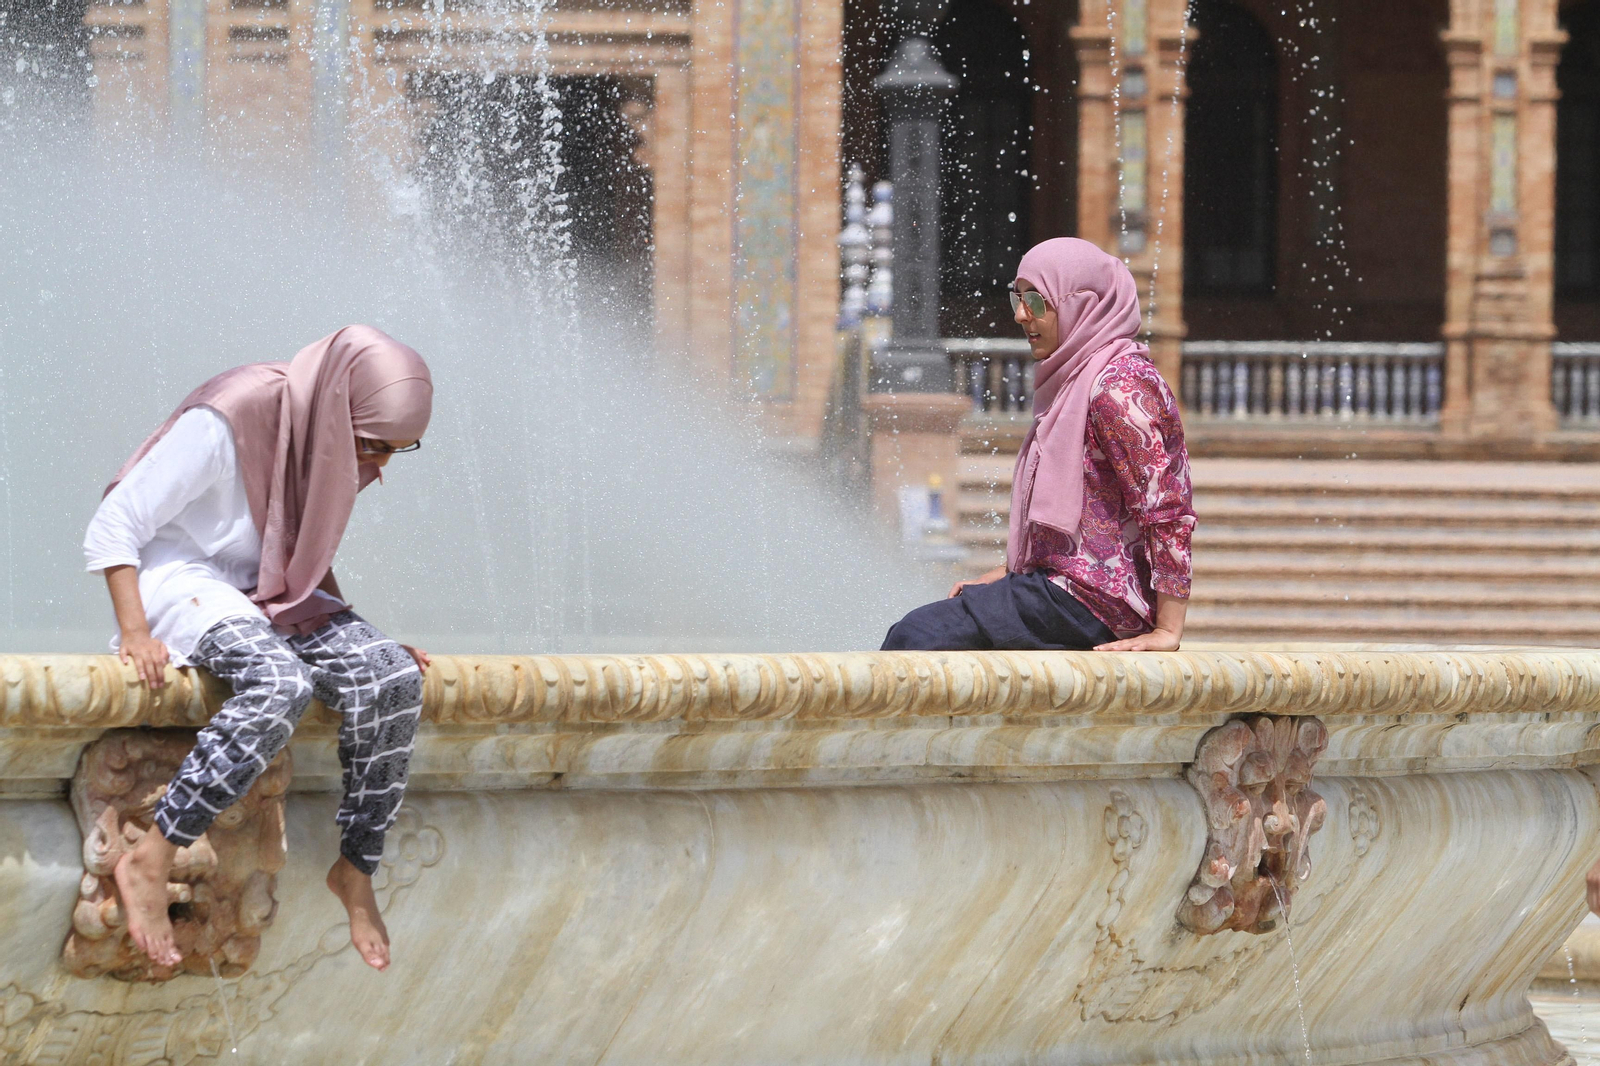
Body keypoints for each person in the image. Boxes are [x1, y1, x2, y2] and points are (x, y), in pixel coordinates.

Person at [82, 324, 434, 972]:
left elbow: (296, 552)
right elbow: (116, 522)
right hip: (180, 575)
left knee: (391, 678)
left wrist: (357, 638)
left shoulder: (330, 430)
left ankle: (355, 869)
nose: (378, 468)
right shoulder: (230, 415)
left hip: (263, 588)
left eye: (396, 451)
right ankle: (154, 855)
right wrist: (135, 632)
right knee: (281, 686)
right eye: (373, 446)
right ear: (338, 410)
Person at [881, 238, 1195, 652]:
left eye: (1037, 301)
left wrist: (1168, 631)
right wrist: (1008, 572)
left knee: (916, 638)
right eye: (1017, 297)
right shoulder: (1080, 378)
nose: (1020, 315)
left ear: (1083, 303)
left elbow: (1167, 511)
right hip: (1069, 590)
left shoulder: (1116, 388)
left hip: (1096, 602)